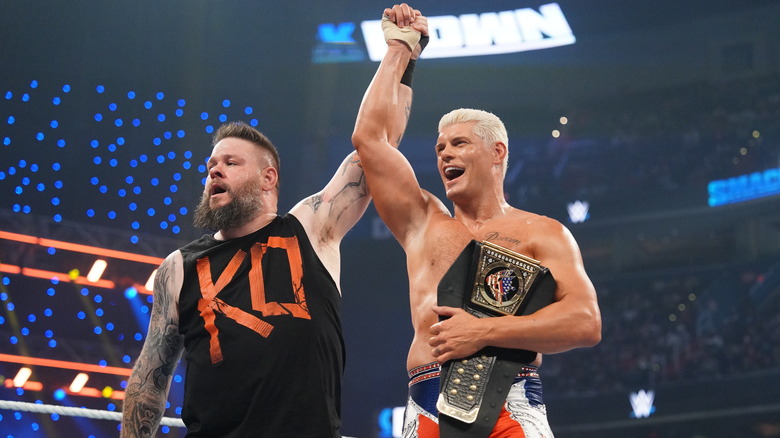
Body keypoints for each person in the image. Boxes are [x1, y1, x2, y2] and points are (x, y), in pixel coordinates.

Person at [119, 7, 424, 436]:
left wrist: (402, 53)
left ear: (269, 178)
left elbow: (378, 148)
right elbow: (150, 378)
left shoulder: (310, 227)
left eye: (230, 162)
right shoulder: (177, 267)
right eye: (210, 164)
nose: (214, 171)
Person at [352, 4, 602, 437]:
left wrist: (484, 331)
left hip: (511, 401)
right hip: (426, 400)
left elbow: (585, 322)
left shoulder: (543, 232)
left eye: (460, 143)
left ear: (497, 153)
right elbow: (371, 140)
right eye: (440, 147)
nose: (444, 153)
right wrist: (400, 48)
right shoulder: (424, 223)